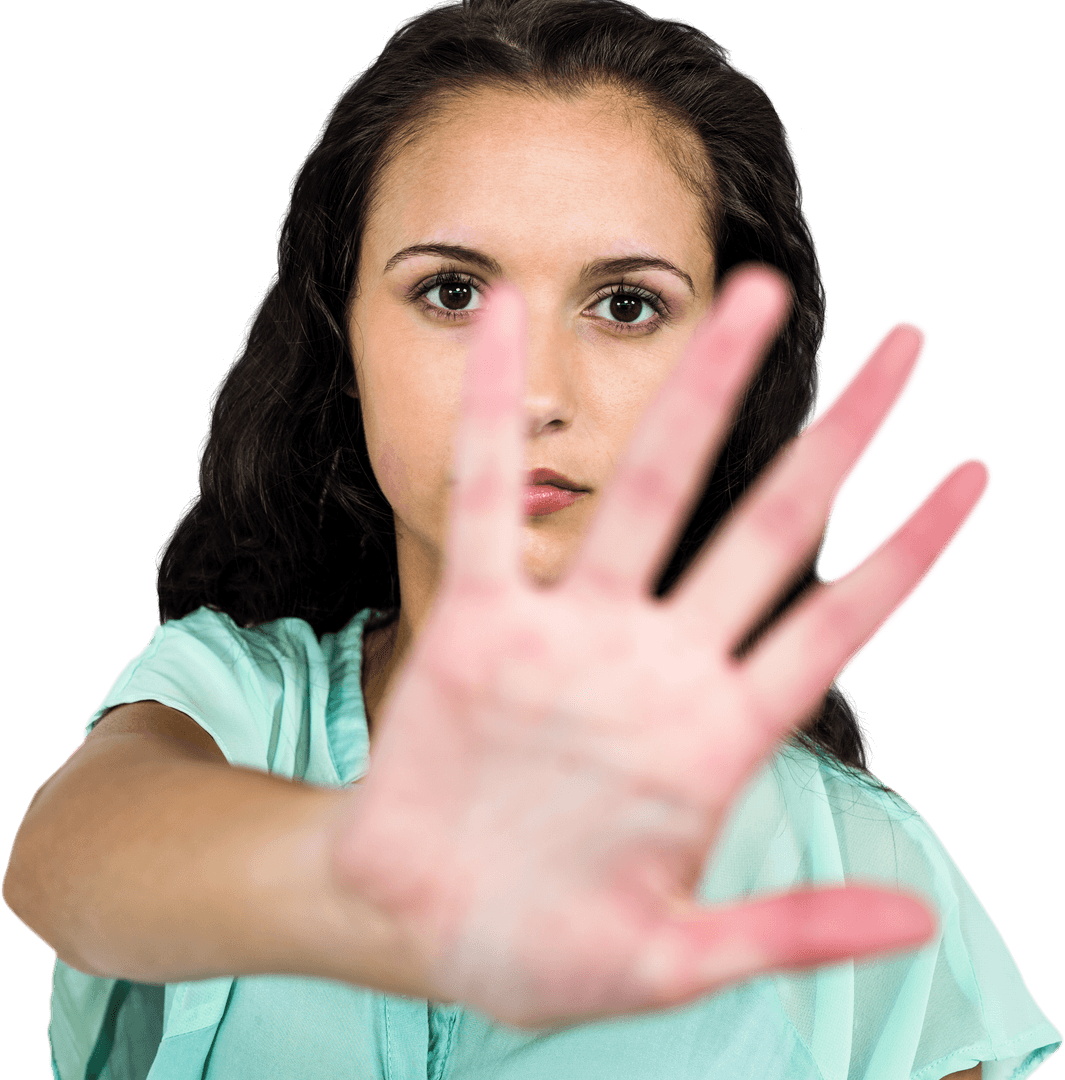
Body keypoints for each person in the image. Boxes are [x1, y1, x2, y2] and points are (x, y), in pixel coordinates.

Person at [3, 0, 1061, 1077]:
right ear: (342, 334)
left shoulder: (859, 872)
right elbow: (66, 859)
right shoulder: (234, 703)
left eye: (627, 305)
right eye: (451, 291)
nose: (535, 396)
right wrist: (388, 893)